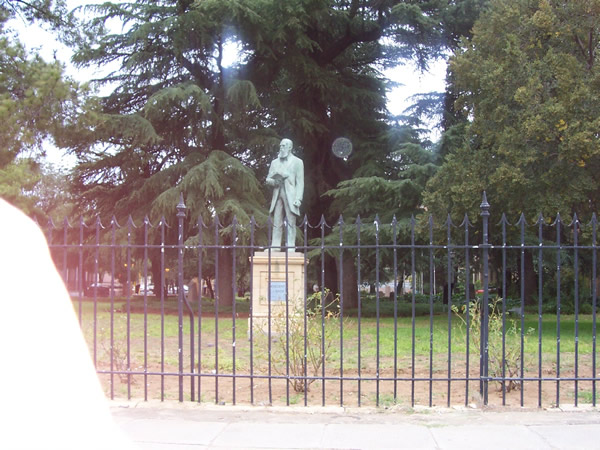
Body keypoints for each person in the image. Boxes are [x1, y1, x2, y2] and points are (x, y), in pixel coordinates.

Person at [266, 138, 304, 251]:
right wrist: (274, 182)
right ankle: (275, 246)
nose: (281, 148)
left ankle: (291, 245)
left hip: (291, 195)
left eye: (283, 146)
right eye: (280, 146)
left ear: (290, 147)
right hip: (277, 194)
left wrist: (298, 198)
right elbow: (268, 179)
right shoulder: (274, 162)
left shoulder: (298, 162)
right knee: (277, 221)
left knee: (291, 221)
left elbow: (300, 182)